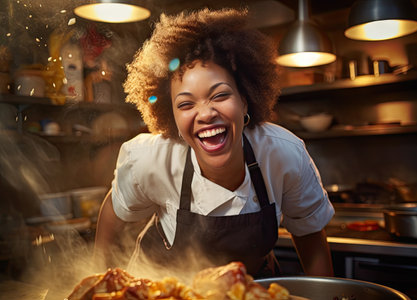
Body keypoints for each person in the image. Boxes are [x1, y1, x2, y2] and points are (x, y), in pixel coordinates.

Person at [94, 7, 335, 279]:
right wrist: (99, 283)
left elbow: (310, 234)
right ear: (171, 117)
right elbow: (114, 211)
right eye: (185, 104)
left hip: (249, 290)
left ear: (244, 99)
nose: (206, 114)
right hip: (164, 292)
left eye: (219, 95)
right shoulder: (151, 159)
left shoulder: (283, 154)